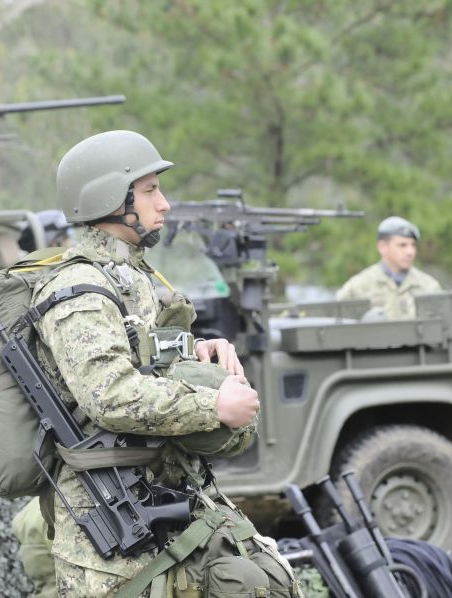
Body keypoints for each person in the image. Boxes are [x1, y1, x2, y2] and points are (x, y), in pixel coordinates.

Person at [32, 130, 299, 595]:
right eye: (151, 190)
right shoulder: (77, 292)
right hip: (113, 533)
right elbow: (109, 395)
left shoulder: (131, 277)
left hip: (163, 500)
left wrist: (194, 352)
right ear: (111, 200)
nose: (165, 204)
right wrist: (212, 405)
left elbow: (137, 360)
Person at [336, 216, 441, 320]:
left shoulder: (428, 287)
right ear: (382, 247)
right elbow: (337, 324)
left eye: (413, 245)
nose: (410, 252)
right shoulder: (358, 287)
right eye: (402, 245)